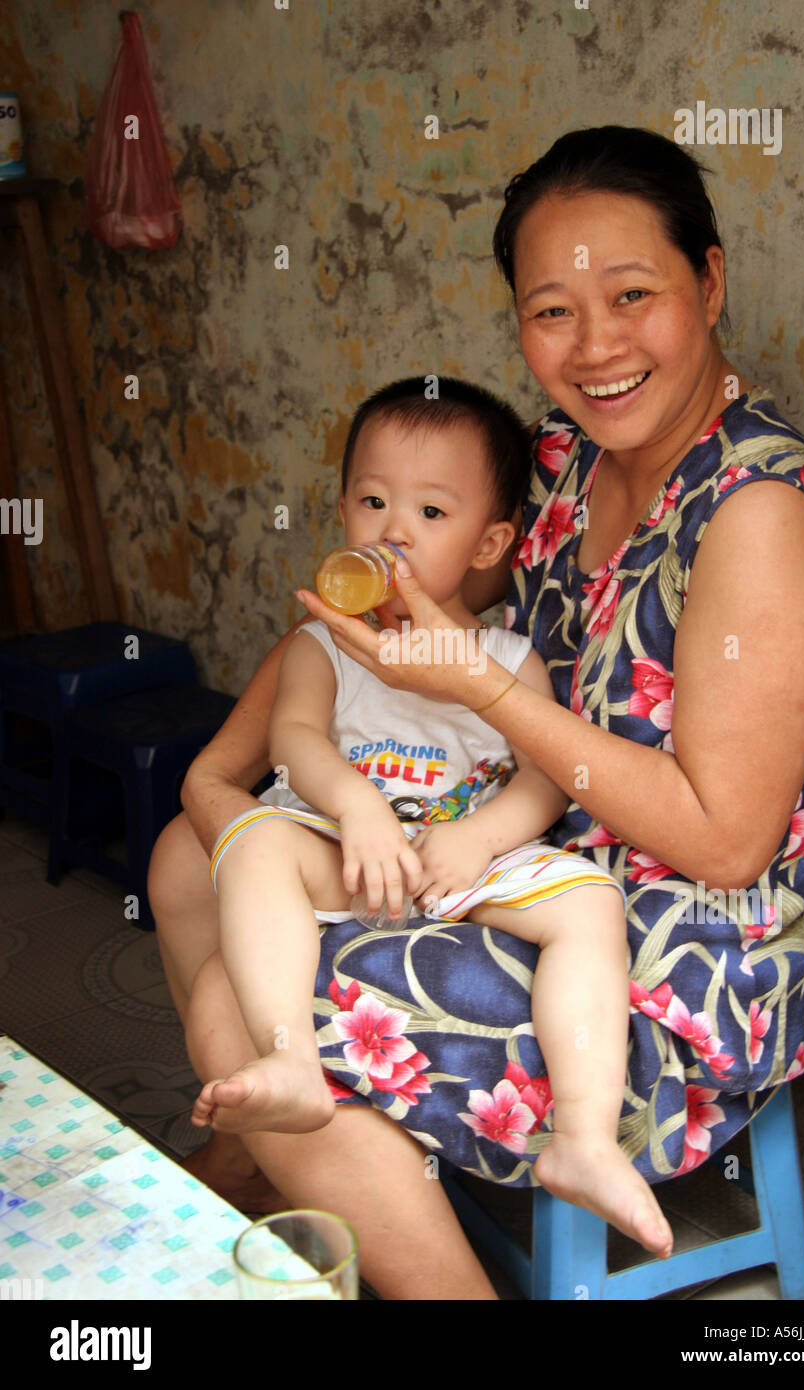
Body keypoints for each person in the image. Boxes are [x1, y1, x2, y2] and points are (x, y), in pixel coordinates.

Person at [150, 126, 804, 1301]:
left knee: (241, 999)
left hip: (680, 949)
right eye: (550, 312)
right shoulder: (566, 460)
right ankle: (282, 1150)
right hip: (530, 846)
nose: (593, 348)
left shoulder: (760, 514)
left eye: (630, 294)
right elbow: (428, 582)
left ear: (710, 280)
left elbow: (725, 840)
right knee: (193, 856)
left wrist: (476, 693)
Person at [188, 375, 673, 1257]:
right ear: (341, 514)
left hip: (462, 855)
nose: (393, 530)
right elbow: (295, 739)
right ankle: (292, 1063)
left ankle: (586, 1139)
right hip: (344, 844)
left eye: (431, 512)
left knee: (589, 904)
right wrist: (356, 806)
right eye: (372, 501)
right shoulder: (322, 642)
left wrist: (480, 838)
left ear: (490, 540)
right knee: (252, 842)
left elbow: (544, 783)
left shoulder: (503, 657)